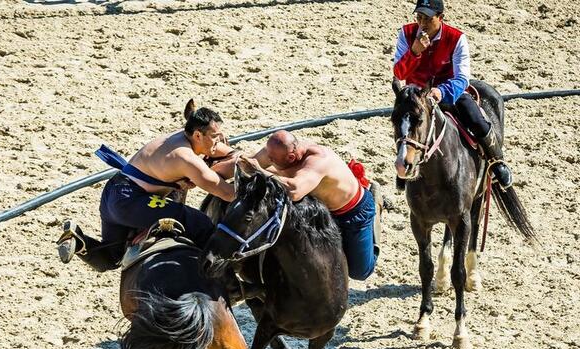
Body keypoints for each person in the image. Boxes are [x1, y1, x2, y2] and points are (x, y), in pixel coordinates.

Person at [56, 106, 237, 272]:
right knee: (200, 222)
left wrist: (148, 220)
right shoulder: (187, 158)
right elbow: (227, 193)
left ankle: (78, 241)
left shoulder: (178, 137)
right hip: (132, 201)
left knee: (112, 257)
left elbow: (227, 153)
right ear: (198, 135)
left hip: (113, 193)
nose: (219, 141)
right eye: (215, 136)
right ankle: (220, 277)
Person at [392, 0, 513, 188]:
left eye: (427, 19)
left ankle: (497, 161)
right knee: (402, 123)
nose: (422, 24)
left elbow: (462, 78)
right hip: (416, 96)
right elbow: (399, 73)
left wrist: (442, 91)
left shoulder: (456, 38)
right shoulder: (406, 34)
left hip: (448, 92)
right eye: (419, 17)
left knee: (476, 119)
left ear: (440, 18)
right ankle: (403, 162)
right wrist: (415, 52)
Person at [244, 130, 383, 281]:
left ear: (291, 157)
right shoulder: (275, 151)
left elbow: (294, 190)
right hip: (319, 208)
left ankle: (375, 207)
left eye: (272, 160)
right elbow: (243, 162)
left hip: (353, 211)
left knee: (360, 272)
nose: (269, 160)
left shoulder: (318, 159)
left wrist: (259, 170)